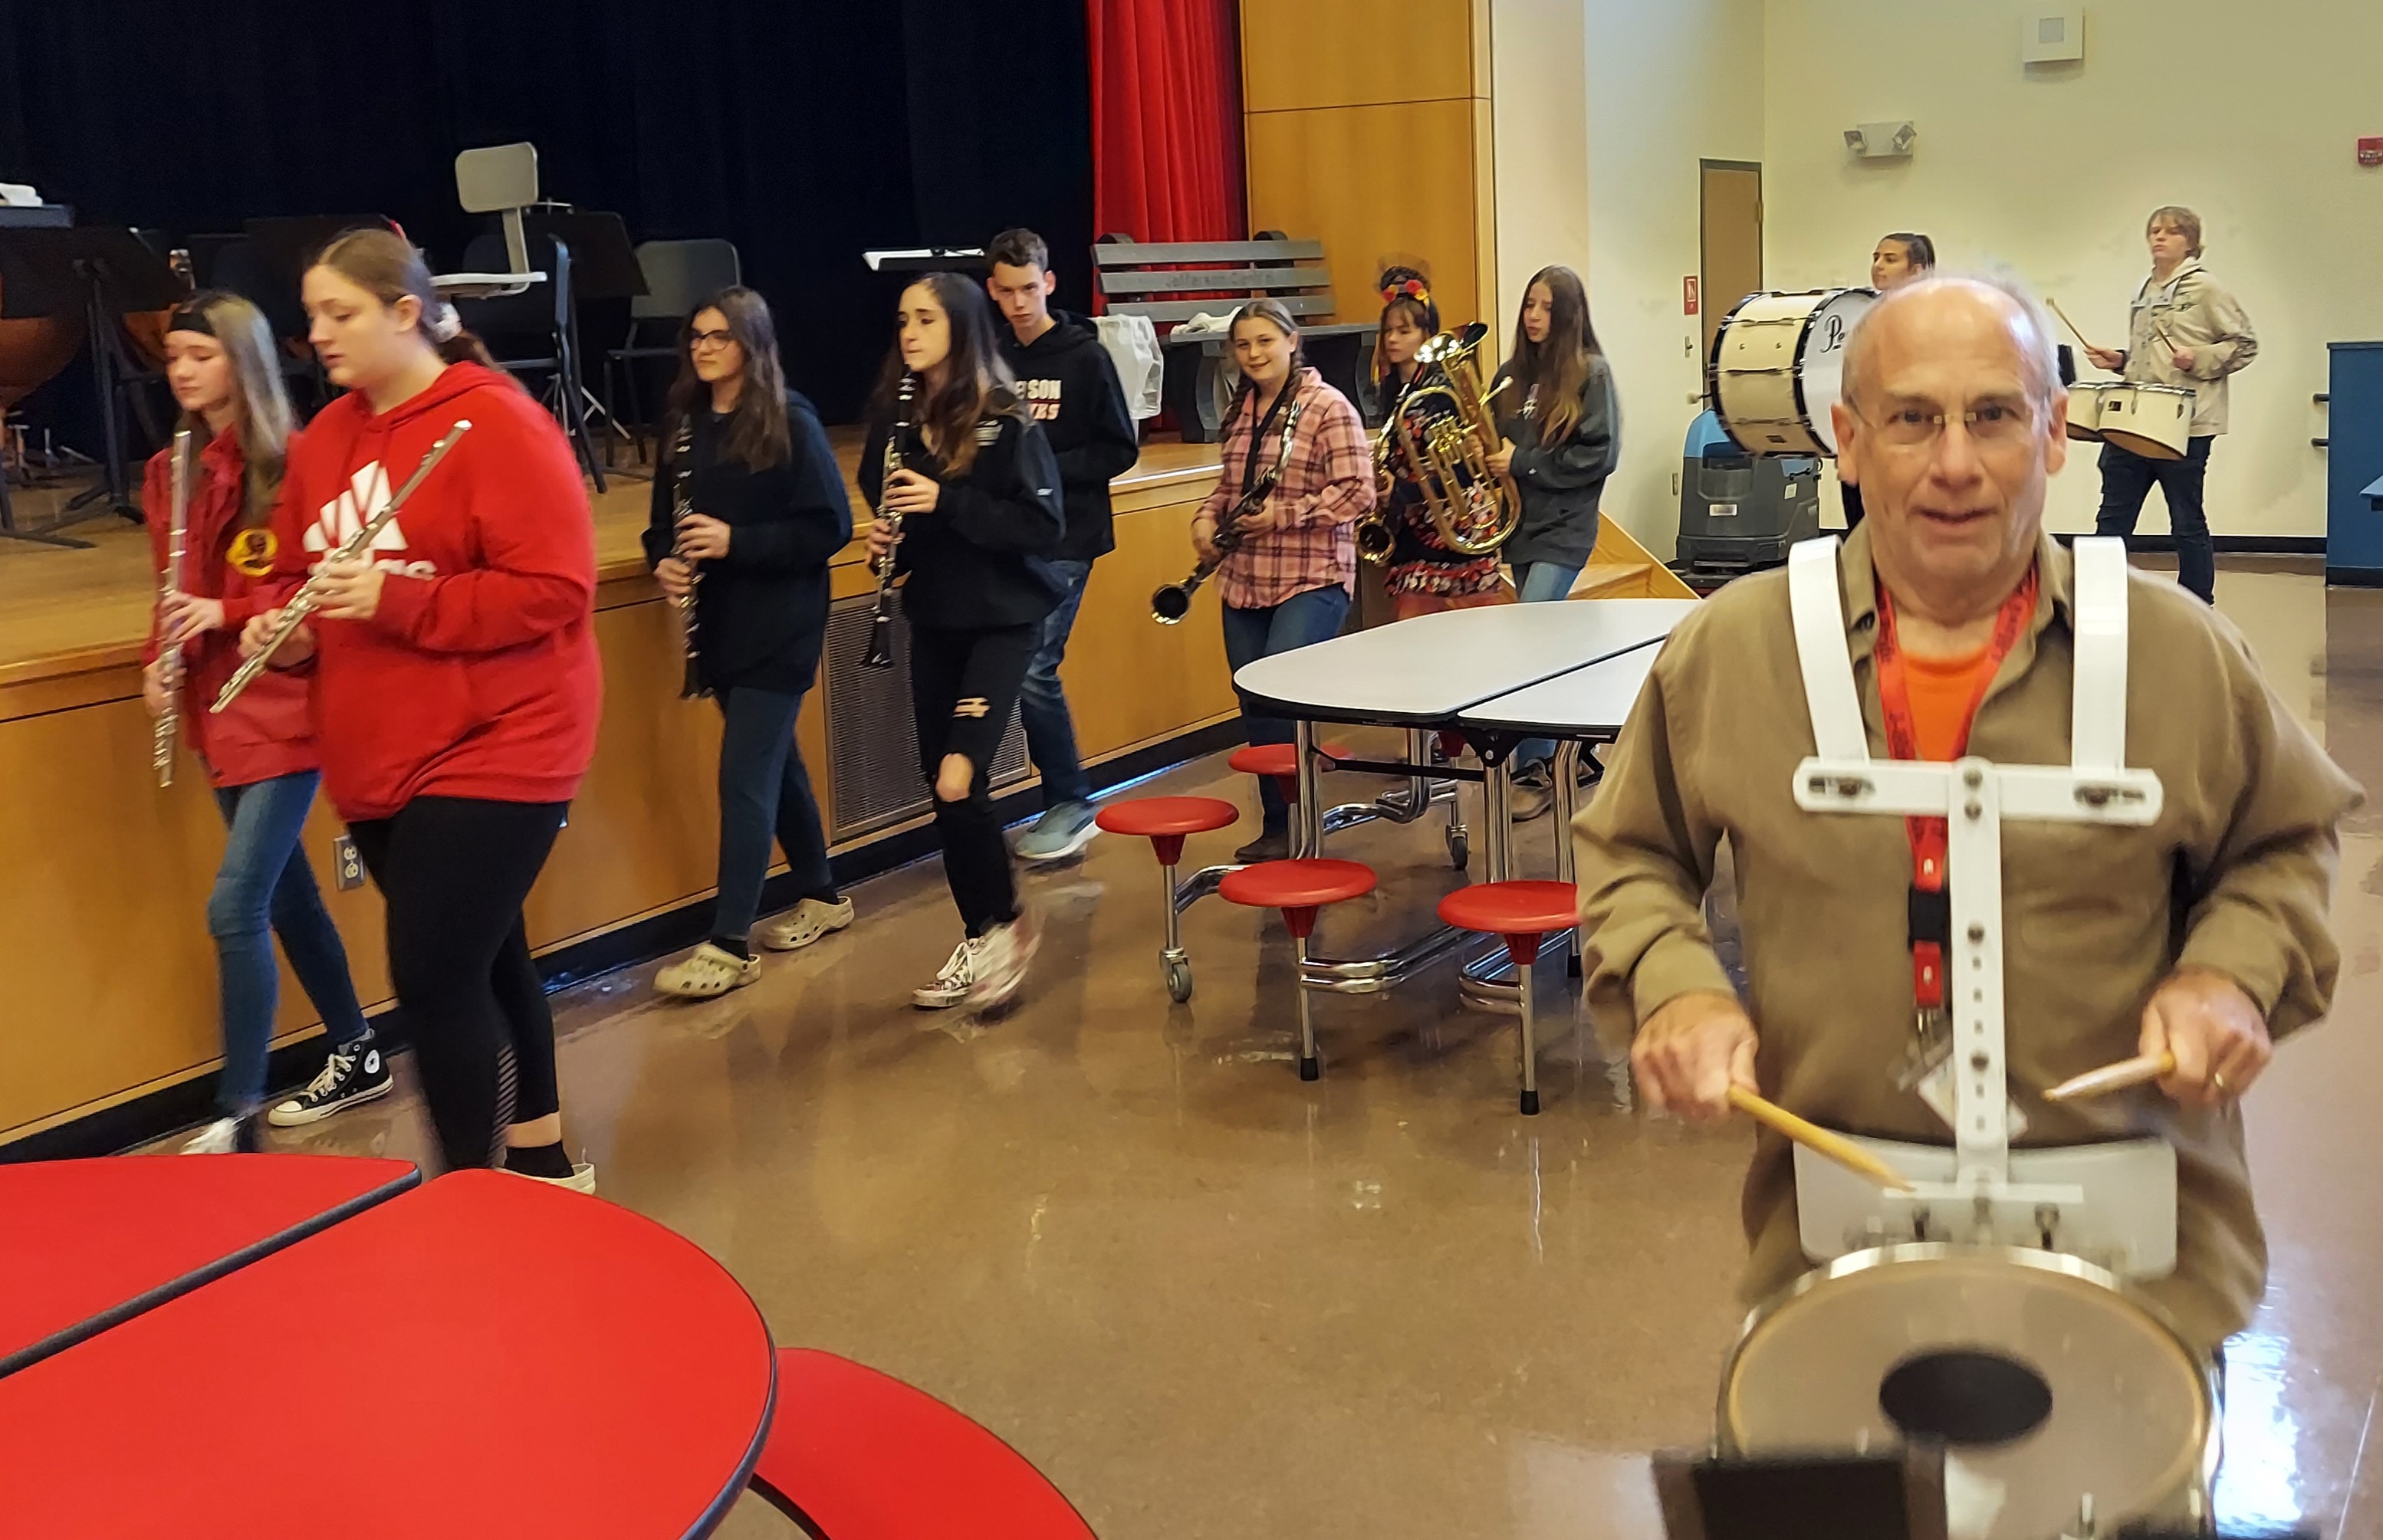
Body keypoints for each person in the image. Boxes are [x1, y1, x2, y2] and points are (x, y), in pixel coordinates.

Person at [1579, 273, 2358, 1354]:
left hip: (2143, 1269)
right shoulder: (1733, 651)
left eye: (1994, 415)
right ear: (1847, 441)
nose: (1955, 464)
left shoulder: (2180, 652)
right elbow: (1632, 854)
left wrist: (2228, 976)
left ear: (2054, 435)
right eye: (1911, 420)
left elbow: (2282, 840)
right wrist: (1677, 993)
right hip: (1834, 1258)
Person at [240, 228, 603, 1188]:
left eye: (340, 313)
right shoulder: (327, 439)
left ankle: (464, 1201)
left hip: (502, 737)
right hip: (381, 746)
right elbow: (292, 574)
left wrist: (402, 601)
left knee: (436, 975)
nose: (316, 332)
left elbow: (557, 589)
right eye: (311, 313)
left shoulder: (497, 424)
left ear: (406, 314)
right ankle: (543, 1162)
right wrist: (285, 627)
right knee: (488, 954)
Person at [141, 292, 380, 1154]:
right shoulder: (170, 466)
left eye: (200, 355)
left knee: (234, 905)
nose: (182, 372)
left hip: (283, 707)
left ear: (240, 361)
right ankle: (357, 1048)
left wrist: (223, 608)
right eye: (174, 356)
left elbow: (309, 590)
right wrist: (155, 660)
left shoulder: (296, 461)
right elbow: (168, 592)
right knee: (287, 898)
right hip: (216, 711)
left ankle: (233, 1111)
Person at [860, 272, 1065, 1011]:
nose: (909, 332)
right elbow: (901, 520)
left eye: (926, 319)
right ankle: (986, 930)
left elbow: (1042, 528)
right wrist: (891, 542)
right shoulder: (896, 419)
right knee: (948, 790)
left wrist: (946, 499)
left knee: (957, 777)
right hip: (936, 615)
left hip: (1004, 616)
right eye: (903, 320)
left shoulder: (1007, 416)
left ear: (962, 327)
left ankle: (1005, 925)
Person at [646, 288, 856, 999]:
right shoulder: (684, 424)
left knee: (744, 777)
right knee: (777, 768)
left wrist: (738, 542)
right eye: (696, 336)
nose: (703, 348)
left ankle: (728, 941)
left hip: (782, 622)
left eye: (718, 337)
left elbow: (829, 528)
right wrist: (663, 561)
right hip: (721, 627)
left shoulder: (789, 419)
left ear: (751, 345)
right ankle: (824, 894)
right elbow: (657, 527)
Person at [1197, 299, 1375, 864]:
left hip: (1312, 574)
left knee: (1278, 696)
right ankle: (1280, 824)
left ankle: (1303, 823)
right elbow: (1228, 488)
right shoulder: (1240, 410)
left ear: (1292, 341)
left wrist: (1284, 514)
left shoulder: (1328, 406)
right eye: (1243, 345)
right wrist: (1204, 519)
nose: (1253, 354)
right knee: (1254, 702)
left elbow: (1359, 492)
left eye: (1265, 342)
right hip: (1245, 577)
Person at [984, 228, 1139, 864]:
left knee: (1033, 663)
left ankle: (1072, 798)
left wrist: (1043, 464)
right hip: (1010, 532)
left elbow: (1119, 449)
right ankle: (1059, 795)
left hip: (1069, 533)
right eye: (1007, 291)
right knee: (1017, 664)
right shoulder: (992, 359)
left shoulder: (1084, 356)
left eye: (1030, 289)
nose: (1020, 303)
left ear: (1049, 283)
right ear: (991, 292)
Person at [1487, 265, 1619, 819]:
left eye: (1546, 308)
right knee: (1537, 642)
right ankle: (1575, 748)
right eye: (1529, 306)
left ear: (1567, 315)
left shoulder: (1591, 373)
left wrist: (1524, 463)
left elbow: (1599, 456)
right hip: (1520, 525)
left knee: (1531, 637)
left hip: (1565, 525)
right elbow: (1491, 440)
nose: (1534, 317)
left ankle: (1535, 767)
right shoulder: (1509, 376)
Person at [2086, 205, 2257, 606]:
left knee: (2185, 519)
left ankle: (2197, 602)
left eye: (2172, 231)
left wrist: (2199, 357)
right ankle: (2095, 596)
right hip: (2136, 416)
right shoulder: (2143, 290)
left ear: (2191, 242)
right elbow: (2151, 360)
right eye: (2154, 231)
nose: (2160, 238)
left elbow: (2245, 345)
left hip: (2186, 422)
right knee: (2113, 514)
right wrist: (2120, 360)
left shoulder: (2206, 288)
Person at [1373, 267, 1505, 619]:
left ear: (1426, 335)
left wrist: (1401, 491)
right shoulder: (1388, 390)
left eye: (1405, 331)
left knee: (1475, 633)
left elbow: (1461, 470)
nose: (1393, 339)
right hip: (1414, 527)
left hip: (1458, 521)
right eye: (1388, 331)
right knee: (1412, 631)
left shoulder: (1441, 393)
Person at [1843, 233, 1938, 530]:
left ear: (1917, 270)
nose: (1879, 265)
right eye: (1876, 258)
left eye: (1890, 259)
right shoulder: (1866, 317)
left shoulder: (1931, 319)